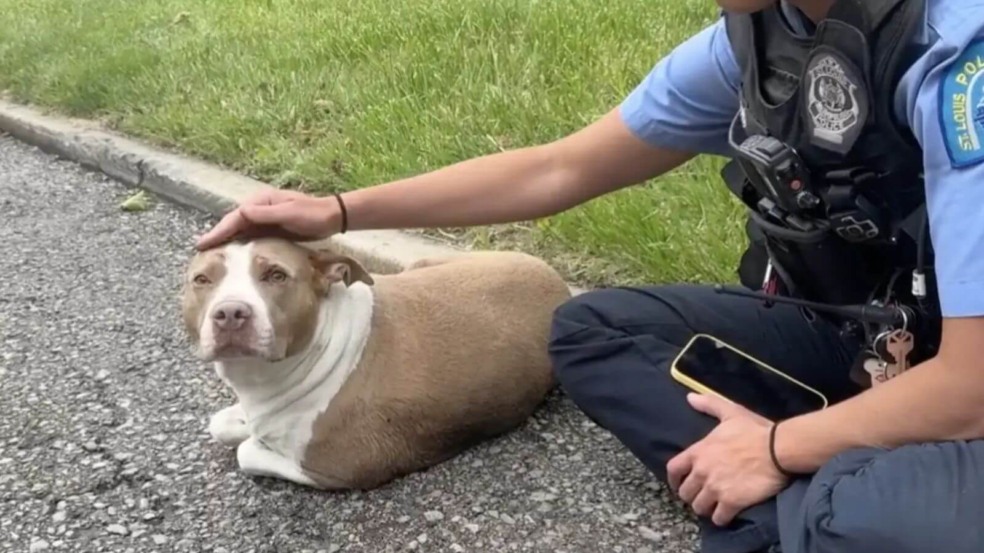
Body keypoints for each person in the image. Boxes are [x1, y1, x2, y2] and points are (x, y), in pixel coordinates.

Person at [196, 1, 984, 551]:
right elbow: (558, 169)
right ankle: (806, 494)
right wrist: (336, 210)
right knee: (589, 329)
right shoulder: (765, 39)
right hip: (876, 339)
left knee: (864, 518)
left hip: (967, 379)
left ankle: (800, 501)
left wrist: (780, 446)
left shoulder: (957, 58)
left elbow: (970, 387)